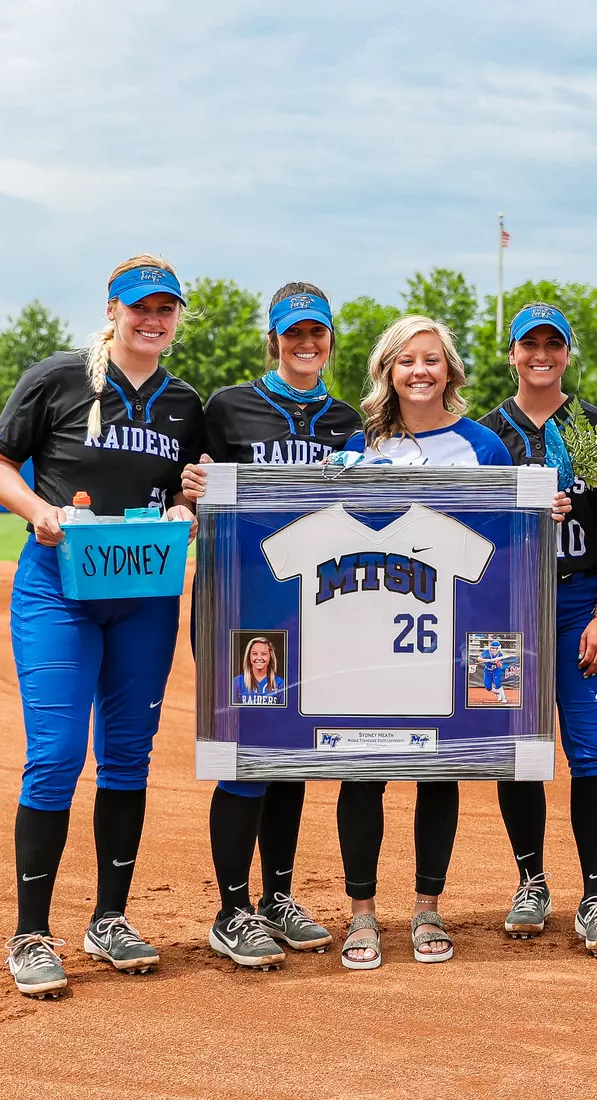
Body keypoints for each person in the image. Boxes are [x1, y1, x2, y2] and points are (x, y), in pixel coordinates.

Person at [0, 255, 203, 998]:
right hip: (58, 590)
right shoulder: (60, 376)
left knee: (128, 756)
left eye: (166, 309)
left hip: (143, 595)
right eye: (141, 307)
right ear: (112, 309)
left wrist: (185, 509)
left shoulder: (183, 402)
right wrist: (37, 511)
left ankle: (109, 919)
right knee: (56, 753)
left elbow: (186, 493)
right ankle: (30, 933)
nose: (153, 320)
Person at [334, 315, 568, 968]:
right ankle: (361, 915)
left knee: (440, 770)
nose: (420, 371)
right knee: (365, 768)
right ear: (388, 371)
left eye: (432, 360)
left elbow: (506, 542)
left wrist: (537, 515)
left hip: (456, 630)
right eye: (407, 361)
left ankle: (427, 907)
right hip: (374, 632)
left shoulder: (482, 446)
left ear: (450, 371)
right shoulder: (362, 448)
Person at [180, 283, 360, 969]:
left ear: (330, 341)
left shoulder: (350, 420)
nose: (306, 344)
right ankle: (232, 910)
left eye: (317, 333)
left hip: (316, 607)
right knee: (245, 754)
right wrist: (187, 491)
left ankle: (277, 896)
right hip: (239, 604)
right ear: (274, 341)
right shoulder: (228, 407)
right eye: (293, 334)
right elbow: (184, 486)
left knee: (293, 754)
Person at [479, 303, 597, 958]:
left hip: (577, 607)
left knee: (592, 754)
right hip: (504, 612)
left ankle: (596, 895)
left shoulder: (594, 428)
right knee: (516, 755)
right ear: (510, 353)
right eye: (528, 344)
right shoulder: (485, 436)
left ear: (568, 353)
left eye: (553, 344)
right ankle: (531, 883)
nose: (541, 354)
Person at [233, 637, 286, 705]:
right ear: (249, 656)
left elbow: (286, 712)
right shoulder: (237, 682)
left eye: (264, 654)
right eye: (254, 654)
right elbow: (230, 711)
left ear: (270, 656)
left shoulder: (280, 683)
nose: (259, 658)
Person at [480, 637, 508, 704]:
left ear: (498, 649)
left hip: (496, 670)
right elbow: (478, 659)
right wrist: (486, 660)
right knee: (488, 687)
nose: (492, 649)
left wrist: (497, 661)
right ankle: (497, 693)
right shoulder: (487, 652)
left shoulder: (500, 655)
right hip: (487, 671)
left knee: (497, 683)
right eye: (491, 647)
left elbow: (500, 666)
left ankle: (504, 698)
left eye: (494, 648)